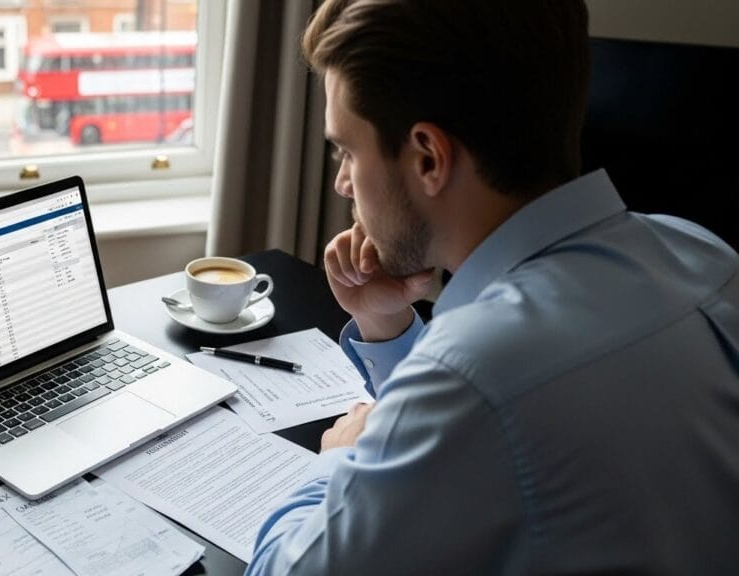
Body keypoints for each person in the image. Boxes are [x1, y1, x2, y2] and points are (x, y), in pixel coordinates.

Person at [247, 1, 739, 574]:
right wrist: (391, 330)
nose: (342, 182)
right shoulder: (705, 257)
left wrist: (344, 456)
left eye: (348, 151)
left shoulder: (475, 376)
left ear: (429, 157)